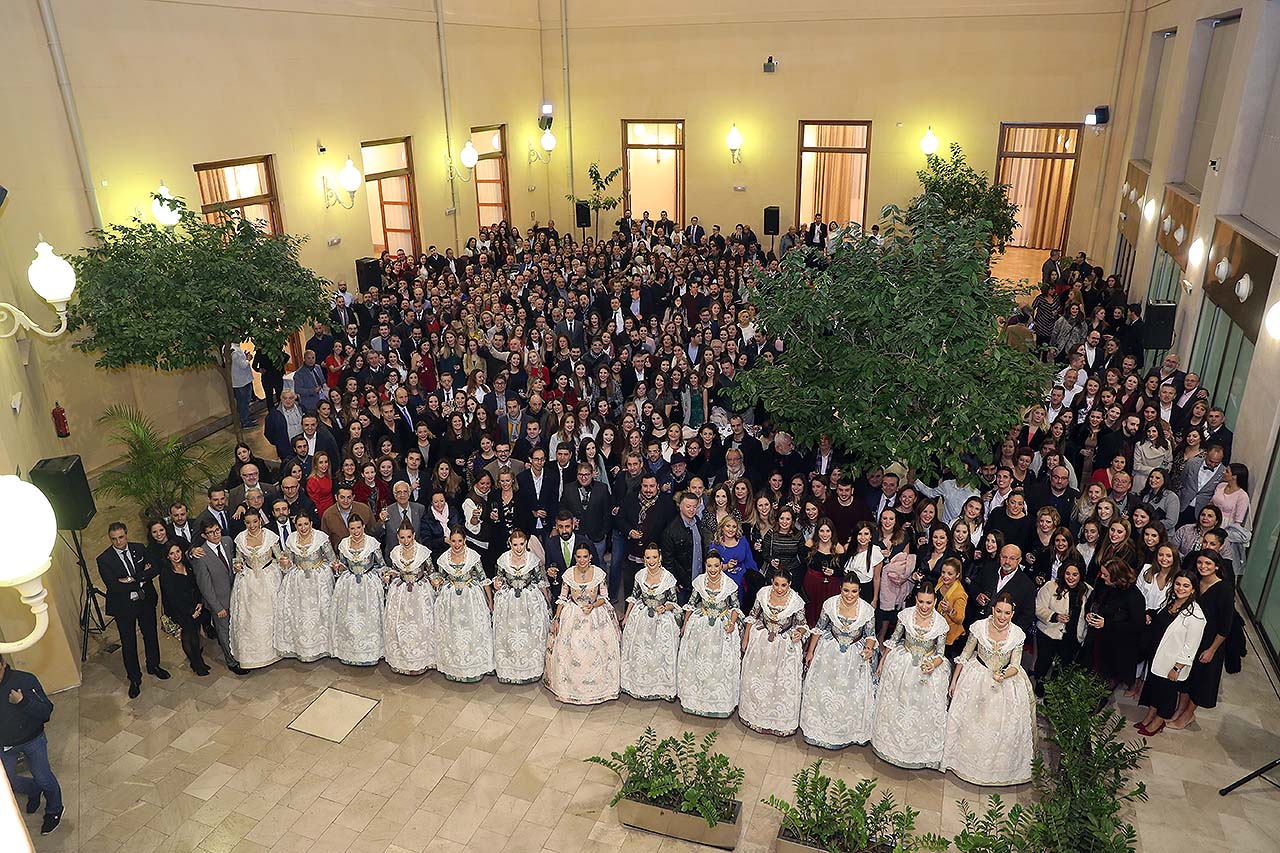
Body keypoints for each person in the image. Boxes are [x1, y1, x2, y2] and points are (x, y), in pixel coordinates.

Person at [943, 594, 1036, 786]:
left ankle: (993, 770)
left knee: (997, 726)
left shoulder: (1017, 634)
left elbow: (1016, 666)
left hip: (1004, 680)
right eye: (999, 611)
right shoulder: (979, 627)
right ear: (993, 610)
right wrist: (954, 681)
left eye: (1007, 613)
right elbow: (965, 655)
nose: (1002, 616)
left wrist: (1004, 674)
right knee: (971, 720)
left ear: (1013, 614)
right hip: (977, 675)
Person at [871, 586, 951, 771]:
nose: (924, 606)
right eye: (921, 601)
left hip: (927, 666)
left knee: (919, 707)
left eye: (929, 602)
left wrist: (933, 664)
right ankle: (890, 745)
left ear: (935, 602)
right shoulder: (905, 616)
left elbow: (940, 653)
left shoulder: (940, 624)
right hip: (903, 661)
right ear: (916, 599)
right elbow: (893, 640)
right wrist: (883, 661)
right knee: (897, 703)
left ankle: (916, 750)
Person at [799, 575, 876, 749]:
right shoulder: (830, 604)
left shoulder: (867, 610)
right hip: (829, 652)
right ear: (840, 589)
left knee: (847, 692)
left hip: (854, 654)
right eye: (846, 590)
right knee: (825, 689)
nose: (850, 595)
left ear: (859, 591)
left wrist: (869, 649)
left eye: (854, 591)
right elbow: (819, 628)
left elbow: (870, 635)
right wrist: (810, 652)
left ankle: (843, 732)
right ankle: (819, 729)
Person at [96, 522, 169, 698]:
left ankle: (154, 665)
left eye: (121, 537)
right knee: (129, 643)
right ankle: (135, 678)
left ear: (126, 535)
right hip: (124, 607)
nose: (118, 542)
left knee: (150, 634)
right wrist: (141, 578)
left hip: (145, 600)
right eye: (114, 539)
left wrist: (132, 579)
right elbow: (113, 586)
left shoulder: (139, 548)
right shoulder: (104, 559)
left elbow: (155, 569)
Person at [544, 543, 620, 704]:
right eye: (579, 557)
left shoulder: (599, 574)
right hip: (573, 613)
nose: (582, 560)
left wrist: (592, 606)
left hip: (595, 614)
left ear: (591, 557)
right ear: (575, 558)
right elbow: (563, 598)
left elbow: (604, 597)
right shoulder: (569, 574)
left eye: (585, 556)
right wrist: (557, 619)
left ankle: (598, 688)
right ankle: (569, 688)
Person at [738, 568, 807, 736]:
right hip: (762, 643)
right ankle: (755, 716)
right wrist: (746, 638)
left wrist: (800, 633)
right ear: (772, 582)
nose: (779, 588)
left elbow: (802, 625)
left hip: (783, 645)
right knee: (760, 679)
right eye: (776, 584)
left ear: (789, 585)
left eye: (784, 585)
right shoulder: (763, 594)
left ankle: (777, 721)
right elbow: (752, 616)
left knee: (778, 683)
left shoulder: (796, 601)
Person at [1168, 551, 1233, 729]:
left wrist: (1212, 649)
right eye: (1200, 563)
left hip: (1210, 642)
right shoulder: (1196, 581)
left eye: (1208, 564)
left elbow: (1226, 626)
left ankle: (1188, 714)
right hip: (1191, 638)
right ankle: (1180, 709)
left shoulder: (1225, 589)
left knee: (1200, 681)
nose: (1203, 567)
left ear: (1217, 566)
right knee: (1186, 678)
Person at [1137, 572, 1206, 736]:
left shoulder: (1196, 615)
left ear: (1193, 590)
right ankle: (1149, 716)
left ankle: (1158, 722)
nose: (1180, 588)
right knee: (1155, 688)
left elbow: (1191, 646)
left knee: (1166, 694)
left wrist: (1177, 668)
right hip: (1157, 656)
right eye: (1178, 584)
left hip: (1172, 662)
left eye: (1186, 585)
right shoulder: (1171, 603)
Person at [0, 656, 62, 836]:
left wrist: (23, 702)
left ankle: (54, 810)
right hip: (5, 746)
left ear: (3, 664)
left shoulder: (25, 680)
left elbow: (46, 711)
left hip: (32, 739)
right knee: (8, 782)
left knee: (43, 777)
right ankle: (33, 790)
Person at [678, 551, 742, 717]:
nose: (712, 569)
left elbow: (735, 607)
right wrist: (685, 624)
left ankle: (718, 701)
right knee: (699, 660)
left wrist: (731, 623)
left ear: (721, 565)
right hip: (702, 623)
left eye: (716, 565)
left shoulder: (730, 584)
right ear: (705, 566)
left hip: (722, 624)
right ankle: (696, 699)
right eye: (709, 566)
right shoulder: (699, 581)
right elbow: (691, 604)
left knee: (719, 664)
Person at [431, 528, 494, 682]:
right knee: (453, 631)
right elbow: (441, 577)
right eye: (454, 541)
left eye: (460, 541)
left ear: (465, 540)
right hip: (451, 599)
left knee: (470, 630)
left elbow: (483, 578)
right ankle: (454, 667)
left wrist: (490, 601)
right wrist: (437, 581)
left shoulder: (473, 556)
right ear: (450, 541)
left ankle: (473, 666)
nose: (457, 544)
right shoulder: (444, 558)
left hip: (471, 598)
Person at [619, 544, 682, 701]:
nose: (651, 560)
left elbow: (674, 602)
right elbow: (633, 597)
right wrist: (626, 616)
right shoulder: (640, 575)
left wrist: (664, 607)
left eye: (654, 557)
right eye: (648, 557)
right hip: (642, 615)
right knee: (641, 650)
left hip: (662, 618)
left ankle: (660, 686)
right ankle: (637, 684)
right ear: (644, 559)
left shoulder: (668, 578)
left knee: (658, 652)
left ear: (660, 558)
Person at [491, 529, 550, 684]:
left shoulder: (532, 560)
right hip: (509, 601)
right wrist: (497, 583)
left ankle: (531, 668)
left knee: (529, 633)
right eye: (515, 544)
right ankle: (510, 668)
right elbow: (499, 577)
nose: (518, 548)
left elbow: (541, 580)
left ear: (526, 544)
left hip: (529, 600)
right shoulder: (503, 559)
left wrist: (547, 603)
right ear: (510, 544)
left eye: (521, 544)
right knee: (509, 633)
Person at [275, 512, 336, 662]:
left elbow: (332, 559)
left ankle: (323, 647)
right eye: (300, 525)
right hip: (298, 580)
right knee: (299, 613)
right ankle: (302, 647)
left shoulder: (321, 538)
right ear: (295, 526)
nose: (303, 528)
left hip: (318, 580)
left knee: (321, 613)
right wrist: (285, 563)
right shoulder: (291, 539)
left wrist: (322, 573)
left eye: (306, 524)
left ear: (311, 524)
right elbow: (287, 560)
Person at [190, 518, 245, 673]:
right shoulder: (201, 556)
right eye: (210, 533)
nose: (215, 535)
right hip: (219, 602)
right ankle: (232, 661)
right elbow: (205, 586)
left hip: (235, 596)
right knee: (224, 632)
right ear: (204, 535)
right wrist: (216, 607)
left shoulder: (227, 541)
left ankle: (241, 655)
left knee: (237, 629)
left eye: (217, 530)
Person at [230, 512, 283, 670]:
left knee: (271, 614)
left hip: (268, 578)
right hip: (248, 581)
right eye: (248, 522)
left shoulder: (270, 536)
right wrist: (237, 565)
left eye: (255, 521)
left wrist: (285, 561)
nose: (252, 525)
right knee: (250, 617)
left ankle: (275, 651)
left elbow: (279, 555)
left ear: (260, 520)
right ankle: (252, 655)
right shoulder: (240, 538)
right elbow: (238, 558)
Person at [1083, 558, 1146, 691]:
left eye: (1106, 575)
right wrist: (1089, 613)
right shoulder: (1103, 585)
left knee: (1106, 681)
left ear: (1117, 576)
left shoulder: (1134, 596)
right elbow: (1092, 601)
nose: (1102, 577)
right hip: (1098, 640)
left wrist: (1107, 624)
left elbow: (1137, 626)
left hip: (1117, 647)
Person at [331, 515, 386, 666]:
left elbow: (381, 564)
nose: (356, 531)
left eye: (358, 527)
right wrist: (338, 567)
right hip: (349, 585)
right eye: (352, 528)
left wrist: (383, 577)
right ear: (348, 529)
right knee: (350, 618)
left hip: (368, 584)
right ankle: (350, 652)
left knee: (368, 619)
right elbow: (342, 564)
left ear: (363, 527)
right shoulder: (344, 544)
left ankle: (370, 652)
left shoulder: (372, 543)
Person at [382, 519, 435, 675]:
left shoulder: (423, 552)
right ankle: (402, 660)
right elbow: (394, 570)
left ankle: (421, 660)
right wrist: (389, 576)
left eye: (409, 537)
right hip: (400, 593)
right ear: (398, 537)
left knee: (420, 625)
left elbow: (431, 571)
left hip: (419, 592)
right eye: (402, 537)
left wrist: (436, 581)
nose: (406, 541)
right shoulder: (395, 552)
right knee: (401, 626)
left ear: (414, 536)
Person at [1032, 561, 1090, 692]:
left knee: (1063, 666)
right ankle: (1040, 685)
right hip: (1048, 633)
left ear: (1081, 575)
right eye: (1068, 574)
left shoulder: (1087, 590)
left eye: (1075, 574)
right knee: (1044, 662)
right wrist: (1054, 616)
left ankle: (1054, 693)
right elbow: (1038, 607)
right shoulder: (1050, 586)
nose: (1070, 577)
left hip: (1072, 636)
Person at [158, 542, 210, 676]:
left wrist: (199, 603)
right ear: (167, 556)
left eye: (178, 551)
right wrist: (190, 612)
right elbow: (171, 598)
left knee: (196, 634)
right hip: (182, 611)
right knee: (188, 636)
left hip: (195, 606)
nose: (176, 556)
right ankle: (197, 664)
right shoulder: (166, 574)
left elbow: (196, 584)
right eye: (172, 553)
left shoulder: (187, 564)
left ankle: (198, 660)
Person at [802, 518, 846, 626]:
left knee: (827, 610)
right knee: (811, 610)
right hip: (811, 583)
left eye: (828, 531)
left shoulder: (838, 548)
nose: (824, 534)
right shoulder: (810, 544)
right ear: (817, 532)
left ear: (832, 532)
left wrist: (834, 572)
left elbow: (842, 571)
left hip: (830, 585)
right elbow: (802, 565)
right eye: (821, 531)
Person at [934, 557, 968, 658]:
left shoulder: (960, 594)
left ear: (957, 575)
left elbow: (960, 619)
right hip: (935, 628)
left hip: (949, 635)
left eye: (950, 574)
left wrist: (950, 610)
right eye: (943, 572)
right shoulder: (940, 580)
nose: (945, 576)